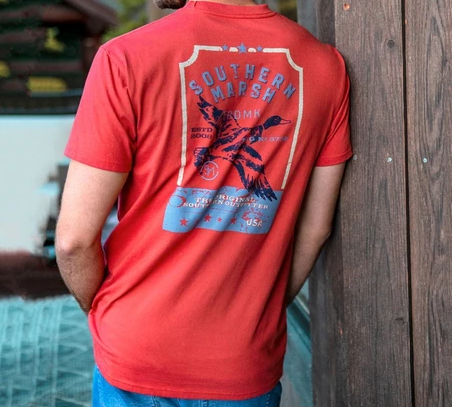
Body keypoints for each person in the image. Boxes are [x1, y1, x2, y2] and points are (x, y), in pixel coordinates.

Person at [55, 0, 352, 405]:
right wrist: (258, 310)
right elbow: (315, 229)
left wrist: (105, 312)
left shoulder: (126, 58)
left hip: (137, 348)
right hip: (243, 360)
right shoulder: (325, 67)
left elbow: (73, 241)